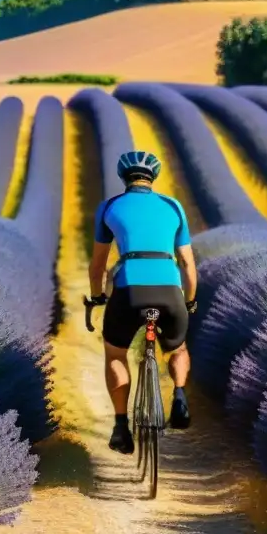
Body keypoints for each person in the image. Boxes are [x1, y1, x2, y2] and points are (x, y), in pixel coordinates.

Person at [87, 150, 198, 454]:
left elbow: (97, 265)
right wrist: (189, 302)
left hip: (130, 290)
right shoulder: (173, 206)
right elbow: (188, 264)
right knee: (177, 348)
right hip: (170, 289)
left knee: (115, 354)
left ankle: (121, 426)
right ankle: (179, 394)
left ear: (124, 177)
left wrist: (97, 296)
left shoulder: (110, 207)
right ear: (153, 178)